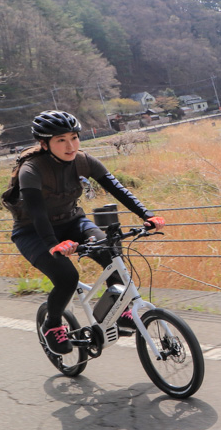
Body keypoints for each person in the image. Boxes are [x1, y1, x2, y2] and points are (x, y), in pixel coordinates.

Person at [10, 110, 165, 356]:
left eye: (74, 137)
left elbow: (117, 188)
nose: (70, 145)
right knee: (67, 277)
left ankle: (120, 310)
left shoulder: (84, 160)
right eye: (61, 140)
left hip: (74, 222)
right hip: (33, 232)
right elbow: (37, 212)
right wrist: (53, 244)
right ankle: (52, 325)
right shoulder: (31, 169)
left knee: (111, 253)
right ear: (44, 143)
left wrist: (146, 214)